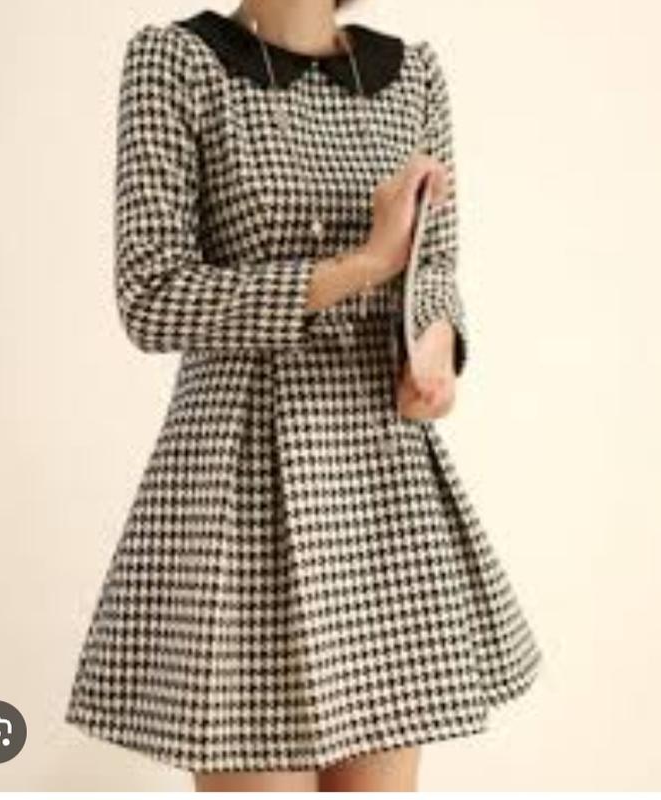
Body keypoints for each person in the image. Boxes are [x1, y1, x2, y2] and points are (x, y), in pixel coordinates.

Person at [64, 0, 544, 791]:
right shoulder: (177, 61)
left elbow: (435, 266)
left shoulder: (411, 74)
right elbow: (151, 296)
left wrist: (435, 346)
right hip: (244, 475)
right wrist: (363, 266)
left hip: (381, 481)